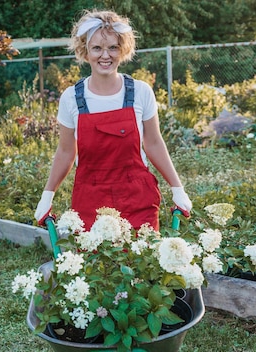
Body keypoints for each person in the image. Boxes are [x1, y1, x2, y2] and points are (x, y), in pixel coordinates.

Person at [34, 9, 192, 231]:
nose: (105, 55)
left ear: (123, 50)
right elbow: (66, 152)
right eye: (97, 48)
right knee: (95, 264)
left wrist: (178, 188)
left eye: (113, 48)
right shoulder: (72, 97)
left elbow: (154, 143)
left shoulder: (140, 92)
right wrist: (47, 195)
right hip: (90, 200)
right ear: (85, 51)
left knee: (143, 262)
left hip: (137, 198)